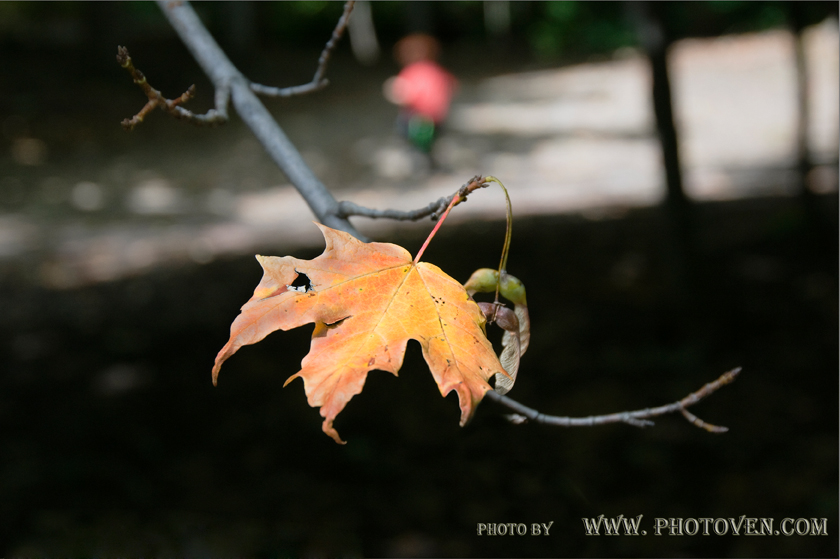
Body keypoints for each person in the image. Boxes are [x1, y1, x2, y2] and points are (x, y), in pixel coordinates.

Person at [383, 34, 457, 155]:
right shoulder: (436, 70)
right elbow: (452, 85)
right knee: (431, 143)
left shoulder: (410, 72)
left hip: (418, 118)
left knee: (409, 135)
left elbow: (406, 94)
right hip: (438, 117)